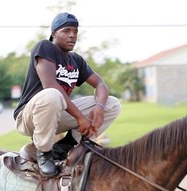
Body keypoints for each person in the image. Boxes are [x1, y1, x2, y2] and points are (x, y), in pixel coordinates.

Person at [13, 12, 121, 177]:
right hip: (30, 116)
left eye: (75, 31)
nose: (72, 35)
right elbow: (51, 85)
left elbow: (100, 84)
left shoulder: (76, 60)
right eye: (66, 30)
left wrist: (99, 107)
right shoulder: (45, 47)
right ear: (54, 33)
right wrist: (80, 118)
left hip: (56, 113)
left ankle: (67, 145)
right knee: (52, 95)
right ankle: (43, 153)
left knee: (112, 103)